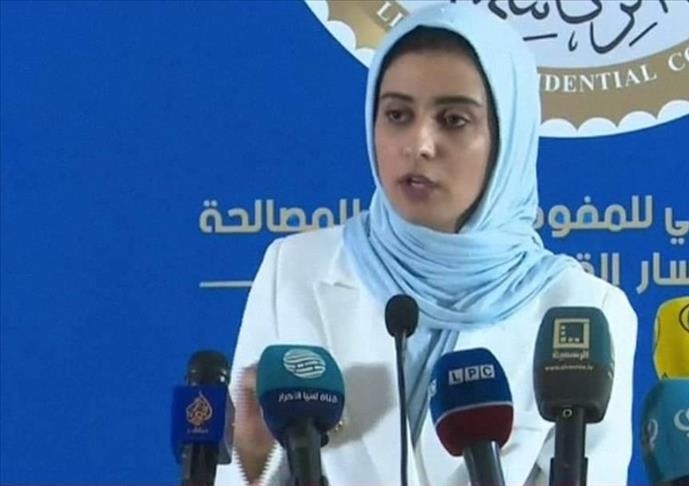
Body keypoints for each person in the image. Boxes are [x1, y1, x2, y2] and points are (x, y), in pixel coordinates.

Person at [215, 3, 637, 486]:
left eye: (453, 120)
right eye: (397, 114)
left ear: (508, 136)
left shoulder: (583, 310)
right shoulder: (296, 270)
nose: (419, 144)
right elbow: (243, 473)